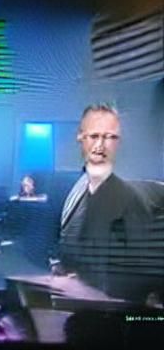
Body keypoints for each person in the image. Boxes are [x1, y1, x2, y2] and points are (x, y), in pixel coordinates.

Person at [54, 103, 164, 303]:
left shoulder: (140, 197)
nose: (100, 145)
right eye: (94, 136)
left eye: (110, 137)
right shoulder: (78, 190)